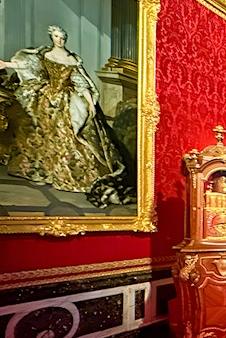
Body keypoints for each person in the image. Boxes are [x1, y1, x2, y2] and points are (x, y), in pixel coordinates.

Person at [0, 26, 129, 205]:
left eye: (62, 37)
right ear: (51, 37)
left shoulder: (72, 59)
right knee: (41, 134)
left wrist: (91, 104)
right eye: (56, 37)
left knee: (67, 135)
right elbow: (29, 65)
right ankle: (44, 170)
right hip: (45, 99)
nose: (59, 40)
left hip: (66, 101)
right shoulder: (44, 54)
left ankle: (67, 172)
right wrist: (7, 64)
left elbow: (80, 83)